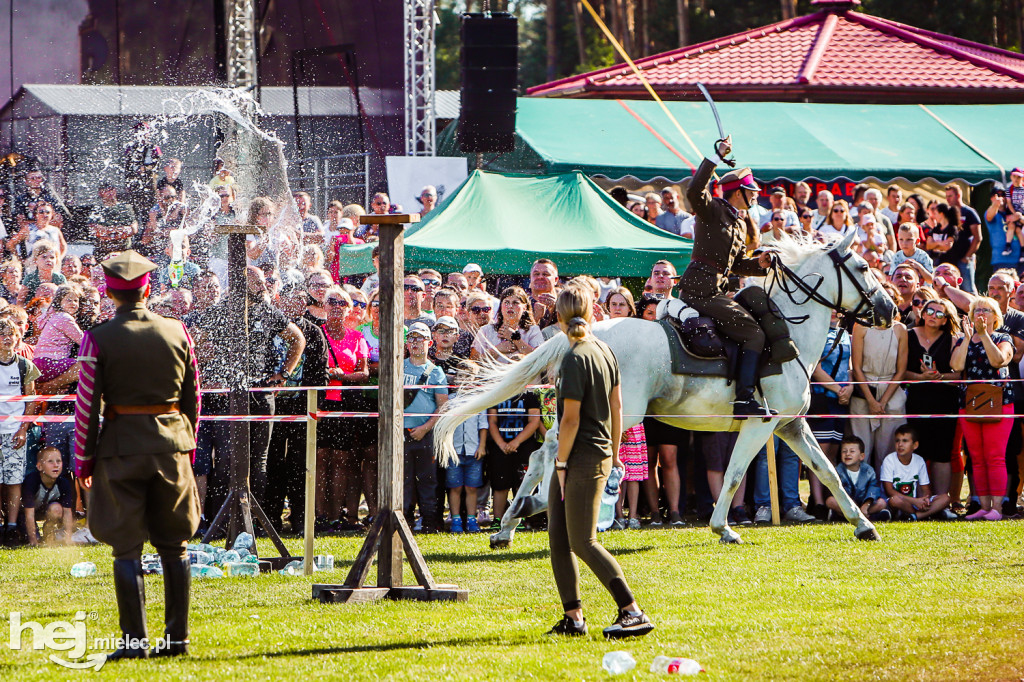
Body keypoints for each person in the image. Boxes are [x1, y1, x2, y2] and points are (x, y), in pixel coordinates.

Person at [73, 250, 200, 658]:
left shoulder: (99, 336)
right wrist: (187, 446)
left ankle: (134, 644)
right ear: (147, 288)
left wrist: (83, 460)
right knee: (174, 545)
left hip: (121, 448)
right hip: (172, 446)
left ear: (109, 291)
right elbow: (192, 398)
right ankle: (176, 640)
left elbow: (87, 404)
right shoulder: (178, 331)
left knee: (126, 548)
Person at [546, 283, 653, 639]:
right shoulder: (603, 349)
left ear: (558, 318)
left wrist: (561, 465)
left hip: (580, 459)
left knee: (583, 541)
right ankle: (573, 618)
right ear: (593, 312)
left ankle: (632, 611)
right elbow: (618, 407)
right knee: (559, 539)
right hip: (594, 453)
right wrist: (616, 449)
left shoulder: (576, 358)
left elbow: (570, 420)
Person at [679, 137, 774, 417]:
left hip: (716, 289)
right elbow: (695, 189)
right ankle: (744, 398)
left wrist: (762, 263)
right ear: (739, 193)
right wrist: (716, 156)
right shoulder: (715, 209)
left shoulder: (739, 220)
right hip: (700, 289)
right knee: (754, 334)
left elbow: (738, 264)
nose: (756, 196)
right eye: (752, 191)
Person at [951, 296, 1015, 521]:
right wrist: (968, 338)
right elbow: (956, 366)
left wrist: (985, 334)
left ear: (995, 316)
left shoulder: (1002, 337)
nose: (980, 313)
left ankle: (997, 507)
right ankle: (984, 505)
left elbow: (999, 361)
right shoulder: (963, 340)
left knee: (995, 456)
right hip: (969, 404)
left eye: (986, 310)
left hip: (999, 404)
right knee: (976, 457)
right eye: (976, 309)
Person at [904, 298, 961, 501]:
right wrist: (920, 378)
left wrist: (940, 377)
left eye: (939, 314)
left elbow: (961, 376)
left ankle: (941, 501)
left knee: (942, 454)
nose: (933, 316)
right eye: (930, 311)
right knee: (917, 451)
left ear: (946, 320)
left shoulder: (953, 339)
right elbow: (900, 371)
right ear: (923, 313)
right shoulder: (908, 335)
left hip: (945, 401)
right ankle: (918, 500)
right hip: (916, 401)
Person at [850, 283, 908, 474]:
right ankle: (861, 493)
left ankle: (887, 494)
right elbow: (856, 367)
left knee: (888, 448)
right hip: (864, 389)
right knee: (862, 447)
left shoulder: (900, 330)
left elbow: (901, 370)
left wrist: (882, 401)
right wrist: (871, 400)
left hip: (891, 392)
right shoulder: (860, 326)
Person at [402, 322, 447, 532]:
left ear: (429, 343)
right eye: (411, 338)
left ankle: (429, 522)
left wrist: (426, 428)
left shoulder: (436, 372)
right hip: (400, 434)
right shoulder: (398, 367)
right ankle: (404, 522)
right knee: (404, 481)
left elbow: (443, 406)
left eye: (420, 338)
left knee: (428, 480)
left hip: (425, 435)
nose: (415, 343)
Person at [0, 316, 40, 547]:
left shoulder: (24, 365)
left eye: (11, 334)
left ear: (18, 338)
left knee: (14, 480)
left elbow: (31, 400)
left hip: (15, 431)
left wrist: (23, 428)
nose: (7, 338)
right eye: (2, 334)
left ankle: (12, 527)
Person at [487, 389, 541, 529]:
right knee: (500, 485)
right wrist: (501, 444)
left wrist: (516, 442)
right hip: (500, 447)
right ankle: (498, 519)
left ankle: (520, 518)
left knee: (522, 484)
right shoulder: (497, 394)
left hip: (524, 447)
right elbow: (492, 421)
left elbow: (534, 421)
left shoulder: (529, 395)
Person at [880, 425, 951, 521]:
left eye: (905, 441)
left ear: (915, 445)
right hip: (901, 502)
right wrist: (915, 501)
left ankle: (915, 516)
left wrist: (925, 499)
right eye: (897, 441)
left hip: (915, 501)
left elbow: (925, 488)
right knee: (895, 500)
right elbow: (889, 491)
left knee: (945, 498)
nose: (900, 444)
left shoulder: (919, 460)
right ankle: (924, 514)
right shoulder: (889, 460)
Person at [827, 436, 889, 522]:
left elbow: (873, 488)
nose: (847, 454)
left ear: (861, 456)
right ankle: (865, 517)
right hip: (847, 504)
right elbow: (838, 490)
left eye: (852, 451)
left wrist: (866, 504)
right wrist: (851, 504)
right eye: (844, 451)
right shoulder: (838, 470)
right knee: (830, 501)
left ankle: (851, 516)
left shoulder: (868, 471)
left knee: (882, 503)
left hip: (865, 503)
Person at [22, 446, 74, 545]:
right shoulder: (31, 481)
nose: (56, 465)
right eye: (51, 461)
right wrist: (33, 540)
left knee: (57, 509)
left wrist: (68, 538)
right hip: (25, 515)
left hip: (44, 510)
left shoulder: (63, 483)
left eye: (59, 461)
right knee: (32, 538)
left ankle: (48, 531)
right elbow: (29, 514)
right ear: (39, 466)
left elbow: (67, 512)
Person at [89, 184, 139, 262]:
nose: (110, 192)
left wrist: (109, 233)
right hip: (103, 253)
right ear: (100, 193)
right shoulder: (97, 210)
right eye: (106, 191)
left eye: (111, 189)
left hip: (124, 251)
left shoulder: (125, 208)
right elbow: (95, 230)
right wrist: (120, 231)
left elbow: (134, 229)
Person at [529, 258, 560, 328]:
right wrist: (536, 318)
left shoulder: (565, 303)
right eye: (536, 274)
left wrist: (555, 309)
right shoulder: (523, 304)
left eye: (545, 274)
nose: (540, 277)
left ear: (556, 280)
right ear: (530, 278)